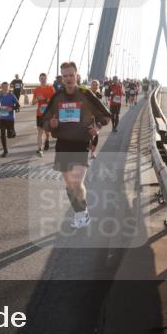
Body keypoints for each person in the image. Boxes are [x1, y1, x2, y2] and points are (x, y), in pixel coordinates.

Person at [41, 61, 111, 228]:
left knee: (77, 182)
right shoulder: (57, 96)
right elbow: (44, 120)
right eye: (65, 76)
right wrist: (51, 124)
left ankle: (81, 215)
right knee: (70, 185)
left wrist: (97, 127)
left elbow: (106, 116)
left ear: (77, 75)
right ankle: (82, 213)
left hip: (81, 143)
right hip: (63, 144)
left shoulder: (86, 94)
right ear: (61, 77)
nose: (68, 79)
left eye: (71, 75)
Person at [0, 81, 21, 157]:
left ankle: (13, 131)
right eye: (3, 87)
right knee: (2, 134)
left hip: (10, 118)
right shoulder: (0, 96)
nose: (5, 88)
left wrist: (11, 108)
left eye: (6, 87)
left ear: (8, 88)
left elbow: (18, 105)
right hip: (2, 117)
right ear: (1, 88)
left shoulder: (12, 96)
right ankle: (5, 150)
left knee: (10, 136)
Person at [32, 72, 55, 157]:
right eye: (41, 78)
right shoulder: (37, 89)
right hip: (40, 114)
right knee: (40, 132)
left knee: (47, 132)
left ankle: (47, 140)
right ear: (39, 79)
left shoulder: (51, 88)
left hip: (48, 114)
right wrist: (37, 100)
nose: (43, 80)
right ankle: (39, 149)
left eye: (44, 78)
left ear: (46, 79)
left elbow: (54, 101)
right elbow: (32, 102)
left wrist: (44, 99)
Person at [87, 79, 103, 160]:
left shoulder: (99, 95)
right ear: (91, 85)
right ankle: (87, 152)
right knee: (88, 136)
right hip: (88, 117)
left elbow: (101, 107)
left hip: (97, 118)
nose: (95, 86)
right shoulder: (87, 94)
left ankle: (93, 152)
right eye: (93, 84)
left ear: (98, 86)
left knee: (96, 135)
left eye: (96, 85)